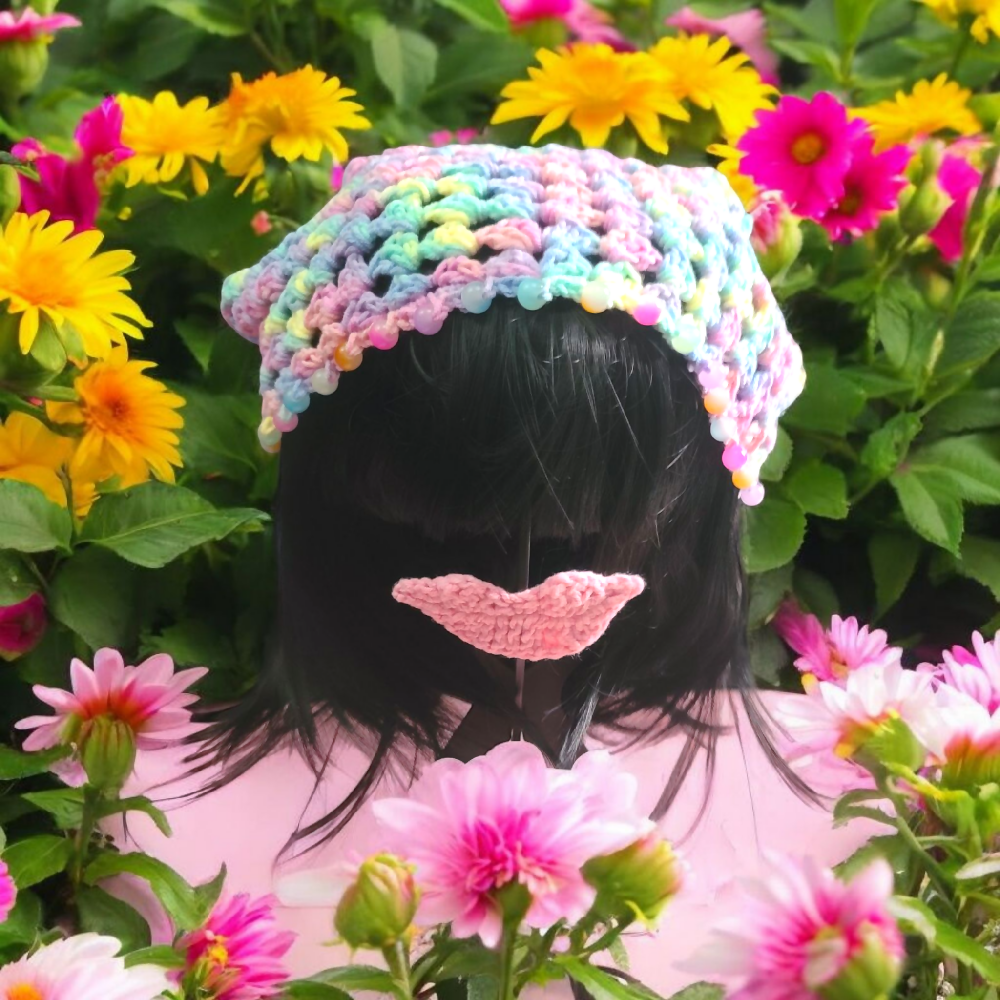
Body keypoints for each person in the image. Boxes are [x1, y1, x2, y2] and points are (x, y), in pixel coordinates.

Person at [117, 144, 866, 995]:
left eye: (583, 519)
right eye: (429, 510)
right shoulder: (144, 813)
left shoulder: (862, 805)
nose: (518, 565)